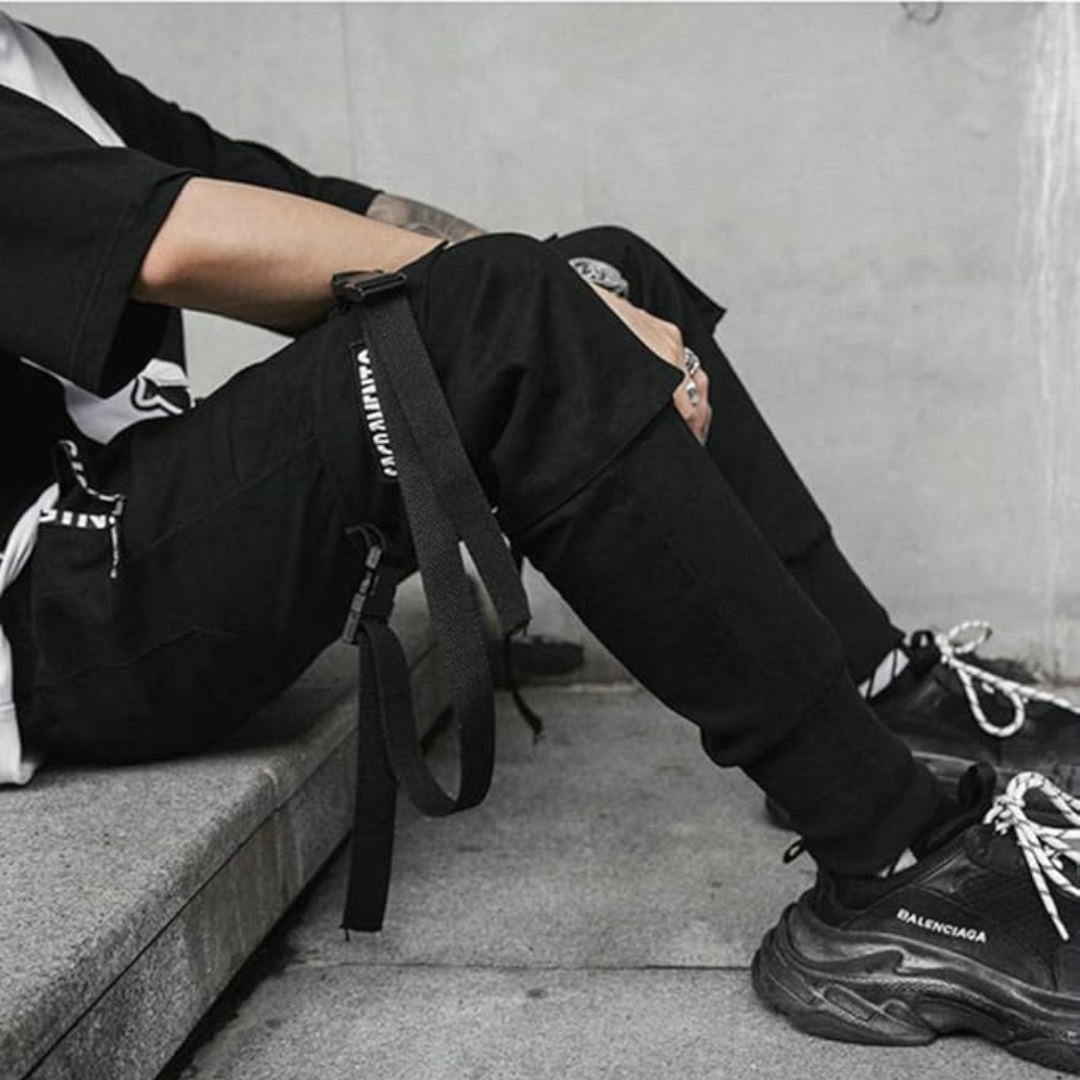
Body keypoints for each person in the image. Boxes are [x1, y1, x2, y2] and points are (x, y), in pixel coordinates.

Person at [1, 13, 1078, 1074]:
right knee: (514, 302)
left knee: (602, 270)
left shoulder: (44, 63)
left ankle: (872, 691)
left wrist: (564, 295)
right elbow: (177, 240)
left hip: (138, 529)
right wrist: (526, 302)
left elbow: (313, 212)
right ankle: (894, 866)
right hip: (64, 607)